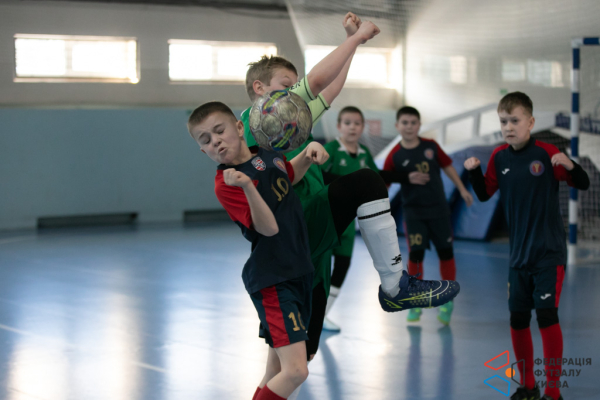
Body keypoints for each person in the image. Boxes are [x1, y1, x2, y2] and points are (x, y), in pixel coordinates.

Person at [242, 13, 460, 372]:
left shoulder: (293, 122)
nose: (296, 92)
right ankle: (395, 286)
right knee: (366, 181)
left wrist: (351, 44)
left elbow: (327, 90)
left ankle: (394, 285)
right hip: (295, 228)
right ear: (260, 89)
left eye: (295, 87)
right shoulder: (257, 121)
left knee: (294, 364)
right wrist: (357, 38)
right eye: (287, 86)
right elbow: (316, 82)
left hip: (313, 246)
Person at [187, 101, 329, 400]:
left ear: (239, 128)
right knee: (296, 371)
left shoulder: (267, 154)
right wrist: (248, 187)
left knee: (274, 373)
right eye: (206, 140)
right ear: (203, 151)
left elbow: (287, 176)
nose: (216, 141)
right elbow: (269, 228)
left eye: (220, 131)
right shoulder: (226, 184)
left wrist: (308, 153)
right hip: (273, 280)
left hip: (299, 270)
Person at [464, 91, 590, 400]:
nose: (508, 127)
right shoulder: (499, 157)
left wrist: (571, 165)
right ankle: (528, 386)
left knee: (546, 316)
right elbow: (484, 194)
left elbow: (583, 182)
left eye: (515, 121)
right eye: (503, 121)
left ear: (530, 122)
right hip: (518, 256)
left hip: (548, 252)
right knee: (518, 319)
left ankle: (553, 392)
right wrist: (474, 172)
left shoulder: (547, 153)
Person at [383, 106, 473, 325]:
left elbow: (448, 166)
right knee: (416, 256)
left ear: (419, 125)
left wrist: (462, 189)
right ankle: (416, 299)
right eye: (405, 123)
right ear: (397, 126)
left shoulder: (431, 146)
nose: (409, 126)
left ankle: (448, 299)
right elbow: (384, 180)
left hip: (439, 211)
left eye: (413, 122)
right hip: (414, 213)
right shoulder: (394, 155)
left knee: (446, 253)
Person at [319, 106, 379, 332]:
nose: (352, 127)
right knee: (320, 268)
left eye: (357, 123)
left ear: (362, 127)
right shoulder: (331, 149)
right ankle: (308, 313)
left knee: (342, 266)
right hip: (327, 221)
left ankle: (322, 315)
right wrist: (351, 183)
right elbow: (318, 174)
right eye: (347, 123)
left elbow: (375, 178)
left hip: (348, 223)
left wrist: (404, 177)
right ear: (338, 126)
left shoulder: (364, 153)